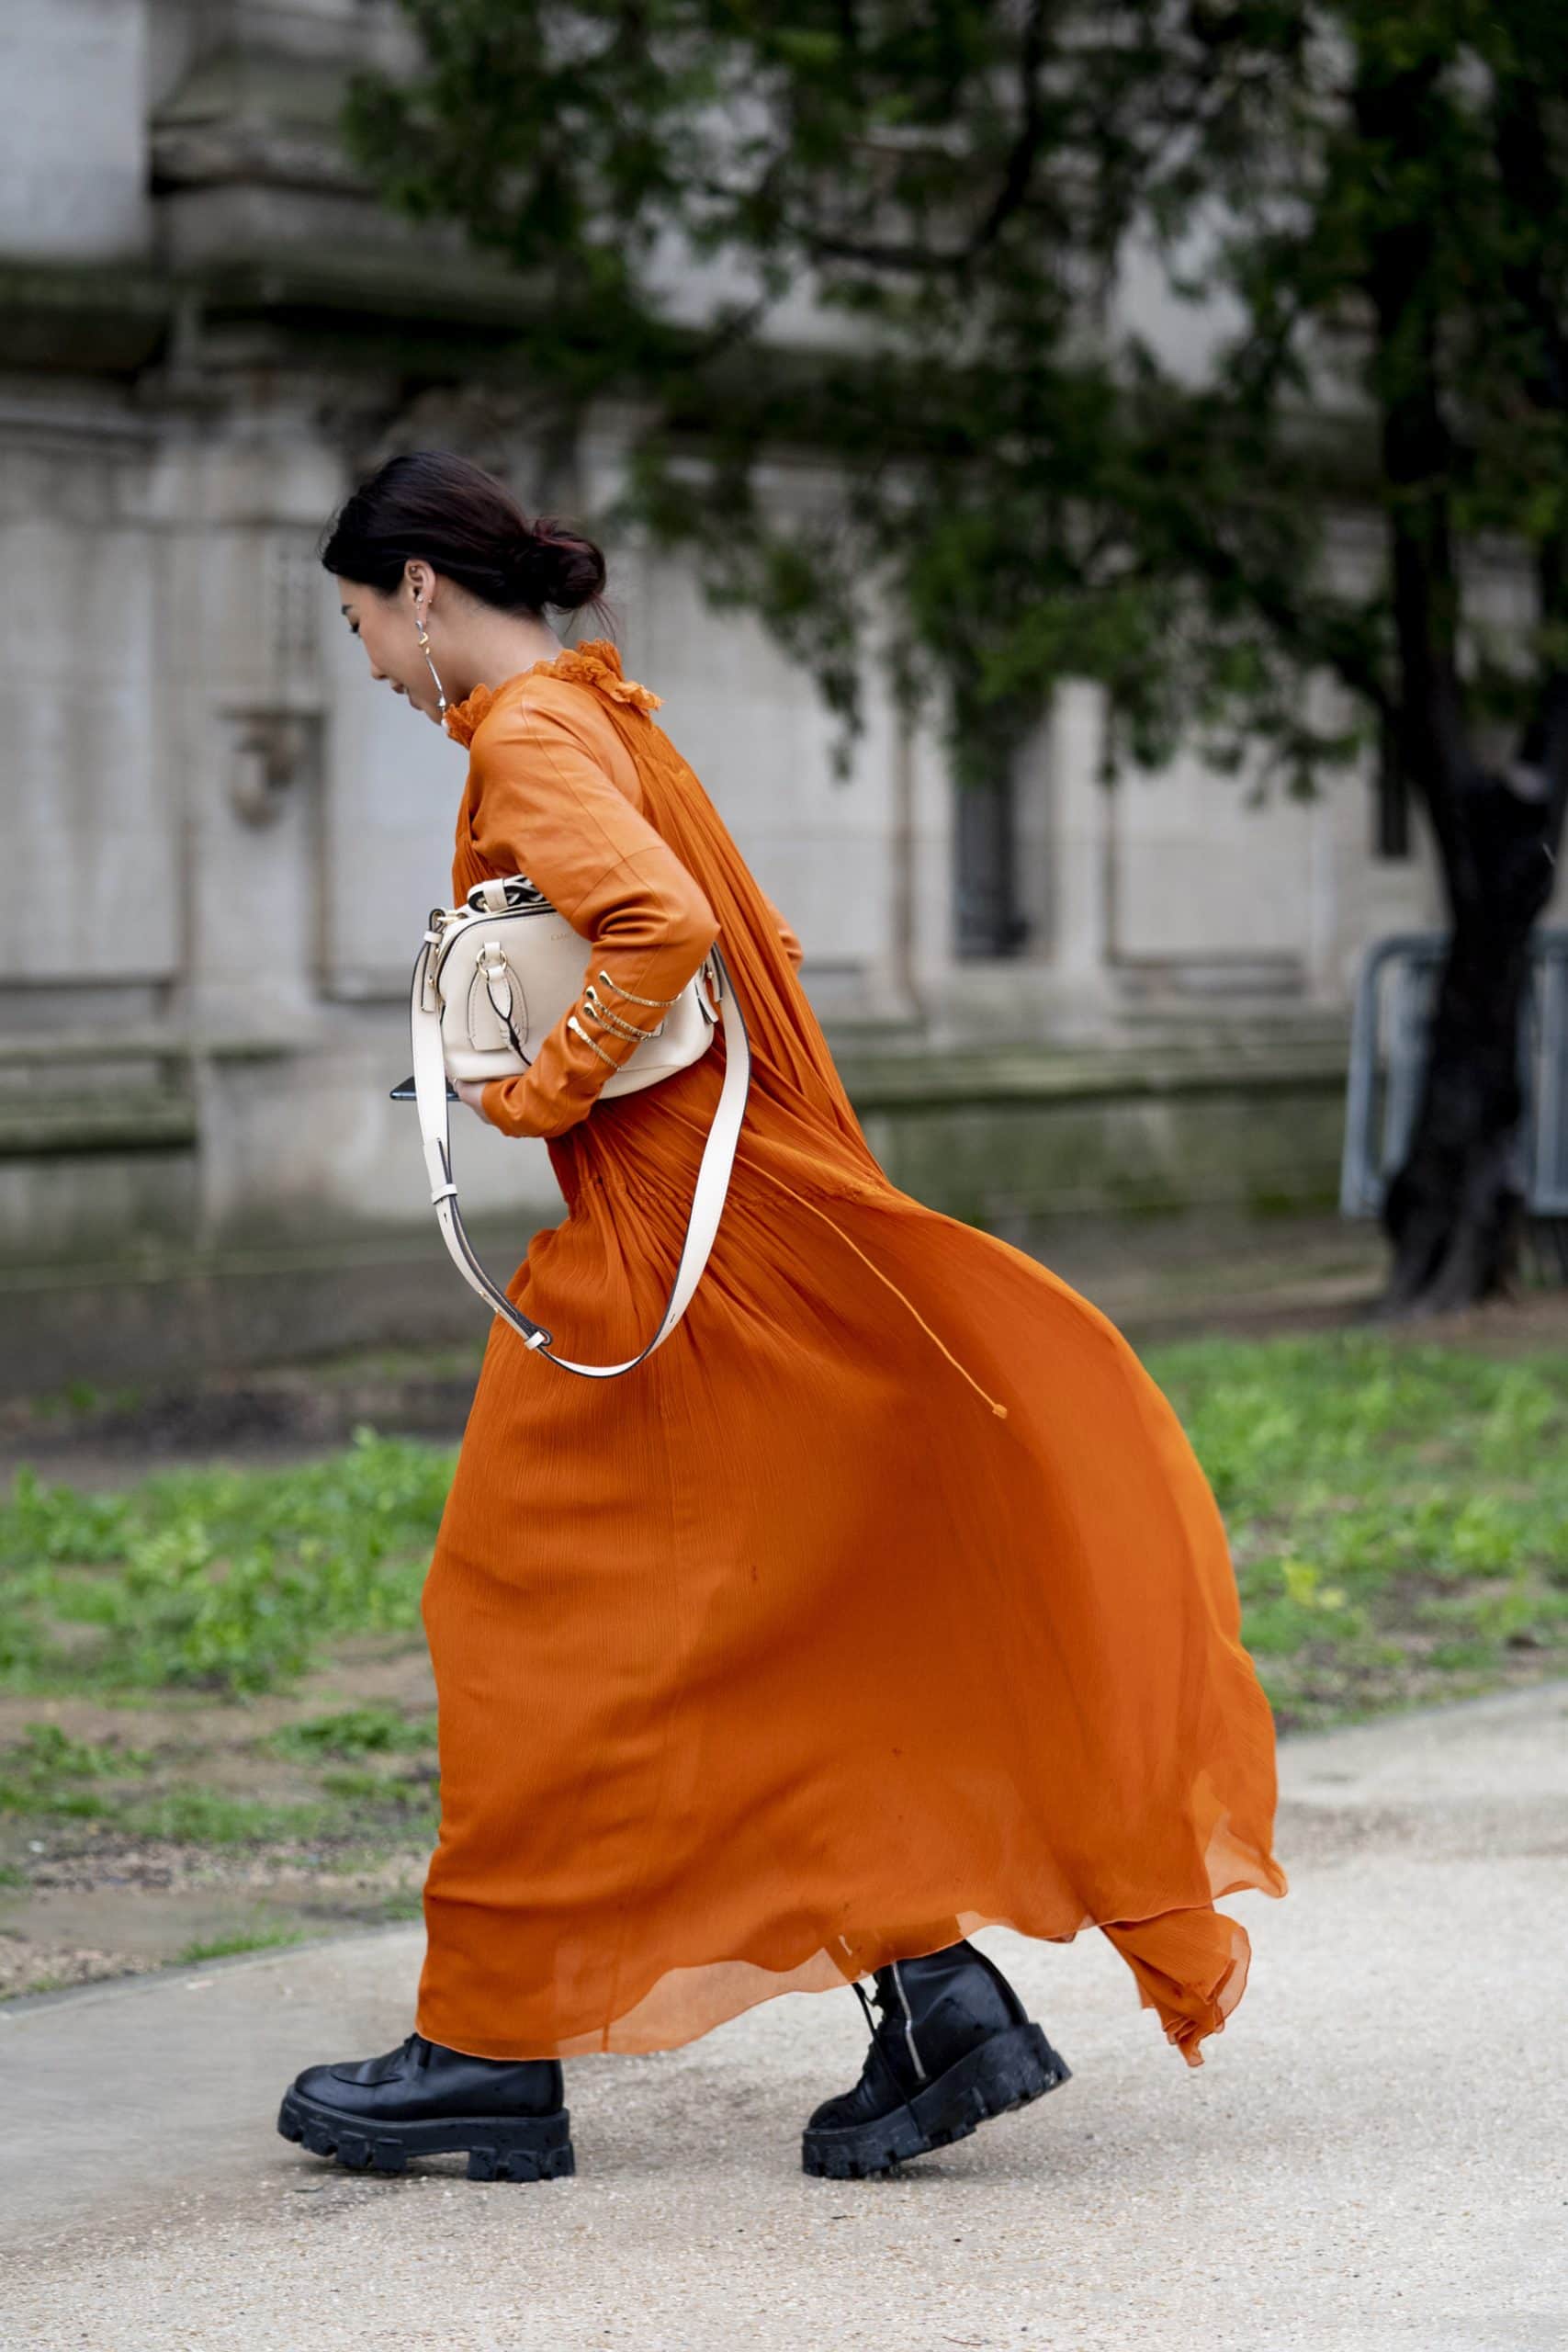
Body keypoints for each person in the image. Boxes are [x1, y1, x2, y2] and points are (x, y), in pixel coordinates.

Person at [279, 448, 1286, 2185]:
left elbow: (655, 927)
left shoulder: (527, 729)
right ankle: (934, 2003)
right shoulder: (596, 708)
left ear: (422, 592)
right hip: (733, 1243)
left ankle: (485, 2053)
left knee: (516, 1616)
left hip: (670, 1260)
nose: (372, 661)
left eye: (365, 623)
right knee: (771, 1638)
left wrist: (537, 1094)